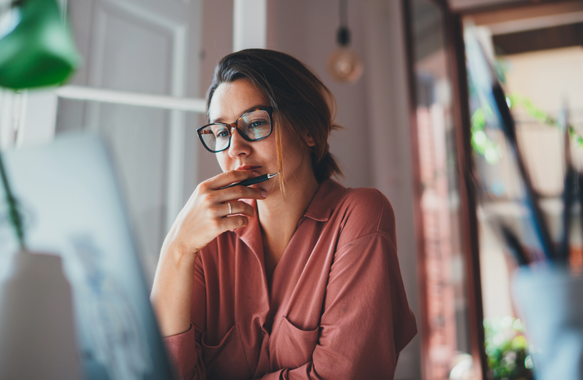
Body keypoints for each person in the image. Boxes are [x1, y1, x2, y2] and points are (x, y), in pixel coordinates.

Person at [151, 49, 416, 380]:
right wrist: (176, 248)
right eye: (221, 132)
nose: (235, 149)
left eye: (256, 123)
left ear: (307, 130)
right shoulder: (206, 241)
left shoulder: (359, 216)